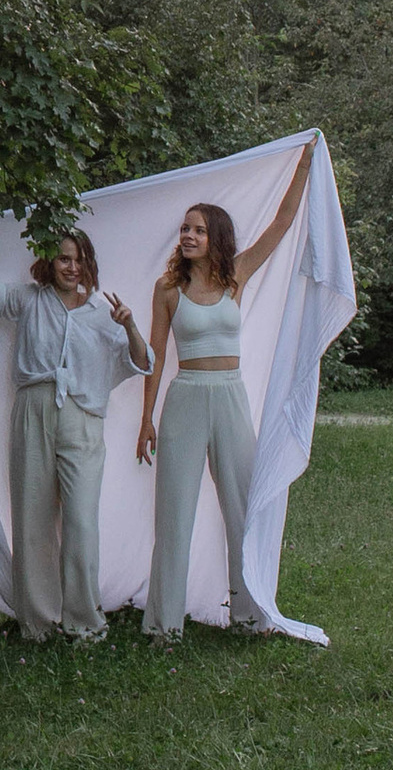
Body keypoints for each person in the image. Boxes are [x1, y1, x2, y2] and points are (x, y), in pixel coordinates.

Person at [0, 224, 150, 642]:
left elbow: (141, 361)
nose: (71, 267)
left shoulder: (102, 312)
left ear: (89, 263)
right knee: (32, 517)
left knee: (81, 522)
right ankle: (38, 624)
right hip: (33, 409)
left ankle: (84, 623)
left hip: (83, 417)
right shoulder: (29, 299)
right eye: (63, 258)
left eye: (78, 259)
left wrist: (128, 325)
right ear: (48, 262)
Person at [134, 139, 317, 641]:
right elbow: (153, 359)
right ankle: (164, 626)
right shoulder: (167, 289)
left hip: (230, 397)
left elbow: (280, 225)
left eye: (197, 228)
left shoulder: (236, 275)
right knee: (174, 515)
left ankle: (248, 616)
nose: (188, 235)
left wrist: (303, 164)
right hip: (186, 398)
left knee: (243, 508)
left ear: (215, 236)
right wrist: (146, 419)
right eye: (184, 228)